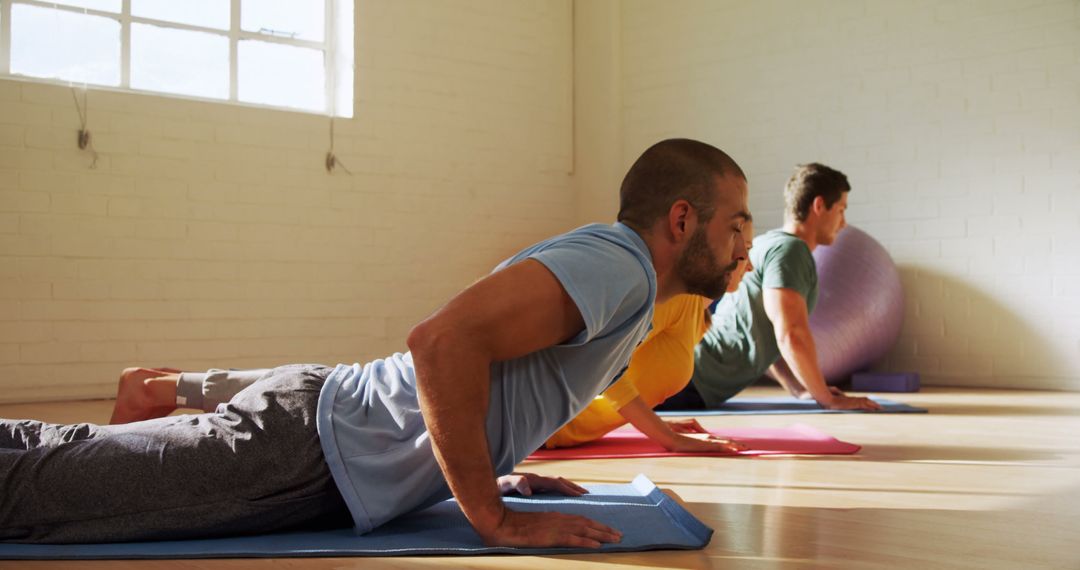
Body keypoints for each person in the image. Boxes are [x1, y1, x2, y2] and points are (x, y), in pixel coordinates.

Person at [0, 138, 752, 546]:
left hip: (319, 428)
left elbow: (496, 372)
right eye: (736, 226)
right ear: (682, 221)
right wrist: (488, 514)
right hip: (307, 451)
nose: (743, 248)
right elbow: (440, 344)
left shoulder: (622, 282)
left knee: (54, 453)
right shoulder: (619, 262)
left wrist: (498, 471)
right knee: (35, 499)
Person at [659, 163, 880, 412]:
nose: (843, 223)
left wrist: (799, 389)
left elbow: (769, 336)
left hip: (688, 375)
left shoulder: (767, 243)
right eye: (840, 210)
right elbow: (791, 333)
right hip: (687, 379)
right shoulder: (791, 251)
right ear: (819, 206)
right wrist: (828, 399)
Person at [543, 220, 756, 453]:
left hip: (558, 433)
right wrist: (670, 439)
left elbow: (631, 373)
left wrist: (657, 426)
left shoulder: (698, 314)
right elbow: (597, 361)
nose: (750, 266)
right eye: (744, 249)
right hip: (541, 424)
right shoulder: (677, 299)